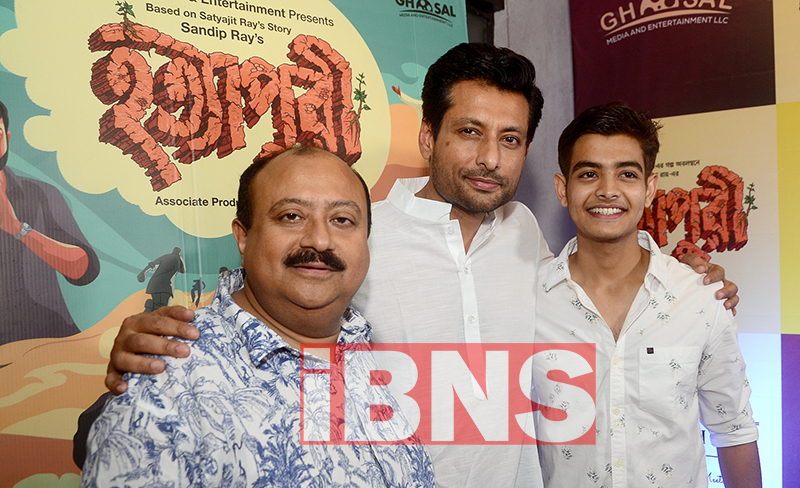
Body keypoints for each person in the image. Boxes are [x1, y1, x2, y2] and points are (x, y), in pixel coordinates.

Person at [90, 44, 738, 486]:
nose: (490, 159)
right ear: (429, 136)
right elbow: (269, 316)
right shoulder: (355, 234)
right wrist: (163, 345)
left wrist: (684, 280)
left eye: (510, 139)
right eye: (470, 132)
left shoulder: (524, 230)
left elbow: (588, 294)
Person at [80, 145, 435, 487]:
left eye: (343, 220)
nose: (320, 240)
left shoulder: (363, 350)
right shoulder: (170, 376)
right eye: (291, 216)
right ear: (244, 237)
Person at [533, 102, 760, 488]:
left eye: (627, 174)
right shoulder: (530, 300)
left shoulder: (699, 297)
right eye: (589, 174)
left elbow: (734, 429)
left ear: (649, 188)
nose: (608, 191)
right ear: (562, 189)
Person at [0, 100, 100, 345]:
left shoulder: (40, 193)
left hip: (50, 343)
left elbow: (84, 269)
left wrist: (18, 228)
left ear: (7, 138)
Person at [137, 246, 185, 312]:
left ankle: (148, 311)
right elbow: (183, 271)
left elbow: (152, 265)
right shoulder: (179, 259)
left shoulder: (165, 257)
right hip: (165, 286)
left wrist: (143, 273)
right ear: (179, 252)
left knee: (157, 305)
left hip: (154, 284)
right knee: (162, 308)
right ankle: (148, 312)